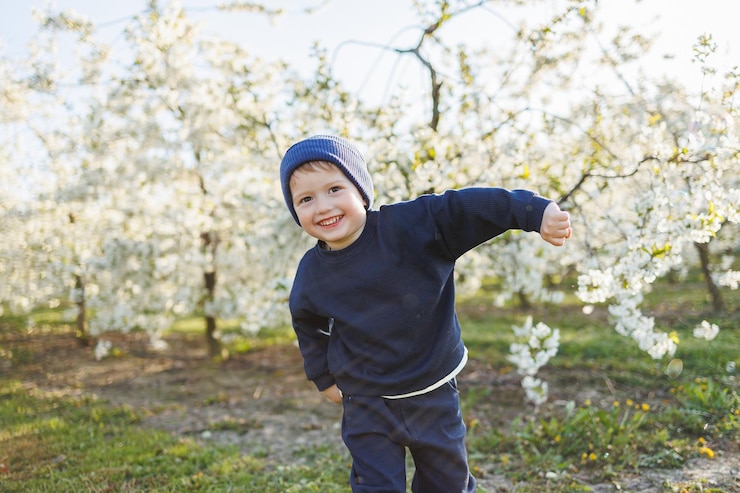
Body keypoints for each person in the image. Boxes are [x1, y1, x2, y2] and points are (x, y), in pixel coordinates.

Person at [279, 134, 571, 493]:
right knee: (376, 485)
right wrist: (323, 376)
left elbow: (466, 208)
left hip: (431, 388)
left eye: (335, 189)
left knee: (446, 482)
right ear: (295, 211)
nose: (322, 206)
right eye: (306, 199)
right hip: (367, 400)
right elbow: (307, 324)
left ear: (360, 190)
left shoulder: (412, 226)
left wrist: (533, 212)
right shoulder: (312, 273)